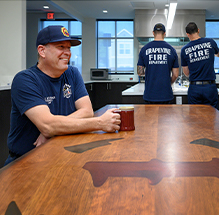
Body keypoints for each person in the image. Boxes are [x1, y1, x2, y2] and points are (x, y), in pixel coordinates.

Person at [5, 25, 120, 165]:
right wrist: (100, 123)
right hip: (26, 161)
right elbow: (47, 125)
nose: (67, 52)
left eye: (69, 48)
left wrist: (55, 129)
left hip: (61, 157)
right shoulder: (25, 79)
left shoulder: (72, 73)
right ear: (42, 51)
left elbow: (87, 111)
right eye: (61, 47)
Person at [181, 22, 219, 108]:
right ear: (198, 30)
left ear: (187, 34)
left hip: (194, 87)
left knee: (195, 116)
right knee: (212, 115)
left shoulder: (184, 50)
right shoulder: (210, 42)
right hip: (210, 87)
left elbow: (186, 73)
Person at [137, 23, 179, 104]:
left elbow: (140, 72)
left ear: (153, 33)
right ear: (164, 33)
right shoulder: (172, 50)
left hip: (150, 95)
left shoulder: (144, 49)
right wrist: (168, 82)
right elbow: (176, 74)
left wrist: (151, 71)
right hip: (166, 95)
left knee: (150, 117)